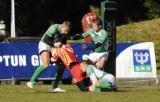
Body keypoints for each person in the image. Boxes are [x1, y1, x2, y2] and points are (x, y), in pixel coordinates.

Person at [26, 21, 71, 92]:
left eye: (67, 31)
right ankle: (31, 82)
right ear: (62, 27)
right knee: (46, 64)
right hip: (44, 45)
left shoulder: (65, 32)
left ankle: (55, 87)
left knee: (62, 66)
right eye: (65, 31)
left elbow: (63, 42)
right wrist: (55, 44)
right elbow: (45, 40)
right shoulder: (54, 28)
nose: (66, 33)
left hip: (53, 47)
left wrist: (64, 45)